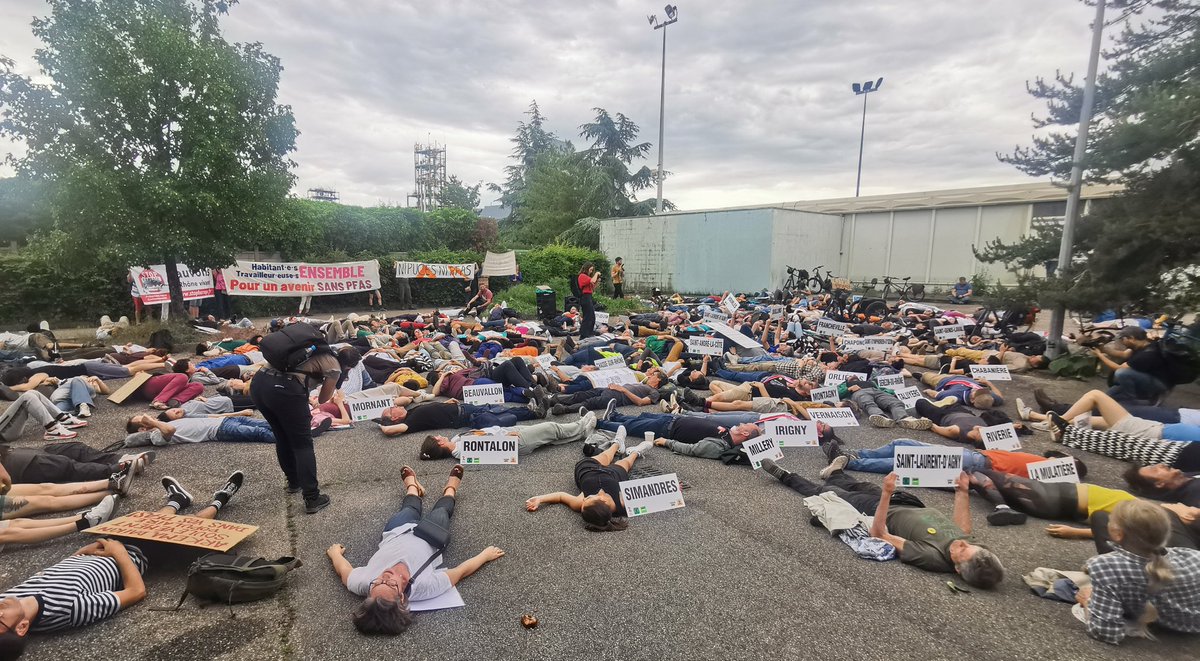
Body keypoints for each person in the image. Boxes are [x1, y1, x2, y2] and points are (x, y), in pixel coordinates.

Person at [0, 471, 243, 657]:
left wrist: (82, 551)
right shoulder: (67, 612)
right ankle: (220, 500)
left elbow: (53, 574)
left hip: (99, 551)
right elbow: (135, 592)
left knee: (148, 522)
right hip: (133, 557)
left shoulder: (10, 597)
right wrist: (118, 552)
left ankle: (177, 500)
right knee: (186, 527)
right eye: (1, 619)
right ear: (21, 627)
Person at [758, 461, 1005, 588]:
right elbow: (964, 532)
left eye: (961, 551)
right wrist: (962, 492)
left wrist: (886, 495)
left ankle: (785, 476)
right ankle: (835, 471)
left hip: (881, 511)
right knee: (857, 484)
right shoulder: (971, 549)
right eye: (968, 546)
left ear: (958, 571)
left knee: (827, 492)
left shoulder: (931, 557)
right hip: (908, 502)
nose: (961, 542)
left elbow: (880, 534)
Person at [326, 464, 506, 635]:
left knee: (409, 507)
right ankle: (450, 488)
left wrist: (334, 554)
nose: (385, 576)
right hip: (431, 536)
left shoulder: (363, 583)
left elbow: (344, 572)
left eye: (377, 582)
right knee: (442, 511)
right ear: (402, 598)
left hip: (396, 532)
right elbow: (460, 572)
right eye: (390, 584)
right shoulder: (425, 587)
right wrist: (485, 556)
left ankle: (412, 487)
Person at [1076, 499, 1200, 645]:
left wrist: (1088, 601)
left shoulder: (1104, 567)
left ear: (1117, 534)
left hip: (1161, 628)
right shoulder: (1193, 557)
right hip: (1193, 626)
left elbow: (1106, 632)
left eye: (1111, 520)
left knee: (1098, 517)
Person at [250, 325, 341, 514]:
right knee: (302, 444)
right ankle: (312, 498)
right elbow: (324, 399)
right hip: (285, 390)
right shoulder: (334, 365)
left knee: (281, 435)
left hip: (259, 384)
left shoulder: (299, 350)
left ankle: (293, 482)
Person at [525, 438, 654, 532]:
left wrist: (539, 499)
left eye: (584, 500)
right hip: (612, 476)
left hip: (588, 470)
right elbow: (654, 494)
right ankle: (635, 452)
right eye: (588, 499)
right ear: (603, 500)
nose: (584, 499)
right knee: (626, 464)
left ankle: (616, 444)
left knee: (605, 455)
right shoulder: (623, 503)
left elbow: (560, 496)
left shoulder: (581, 504)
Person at [1030, 389, 1200, 442]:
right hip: (1162, 426)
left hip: (1156, 430)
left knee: (1095, 396)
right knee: (1099, 420)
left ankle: (1059, 418)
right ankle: (1038, 417)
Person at [419, 412, 597, 460]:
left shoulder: (457, 441)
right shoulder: (461, 451)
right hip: (514, 442)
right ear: (439, 444)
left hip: (508, 433)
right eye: (437, 438)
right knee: (550, 428)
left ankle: (581, 433)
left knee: (548, 438)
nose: (440, 436)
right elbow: (490, 450)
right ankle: (580, 425)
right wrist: (508, 439)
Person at [378, 399, 545, 436]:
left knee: (494, 408)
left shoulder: (410, 411)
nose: (396, 406)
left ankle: (530, 410)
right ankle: (534, 413)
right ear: (394, 418)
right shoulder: (410, 422)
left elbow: (404, 399)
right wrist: (381, 425)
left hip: (461, 407)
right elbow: (390, 430)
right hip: (464, 416)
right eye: (393, 409)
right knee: (497, 415)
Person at [122, 413, 276, 446]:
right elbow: (170, 431)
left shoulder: (159, 425)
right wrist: (152, 421)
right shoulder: (156, 435)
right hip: (219, 430)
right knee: (260, 433)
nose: (146, 416)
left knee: (270, 423)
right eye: (142, 419)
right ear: (142, 429)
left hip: (224, 421)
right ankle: (296, 440)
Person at [0, 391, 87, 442]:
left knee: (32, 392)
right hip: (3, 434)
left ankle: (63, 418)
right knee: (27, 397)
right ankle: (52, 429)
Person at [577, 263, 602, 340]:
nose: (591, 272)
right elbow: (592, 280)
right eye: (590, 270)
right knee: (588, 316)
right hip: (585, 297)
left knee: (591, 316)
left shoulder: (587, 277)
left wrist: (597, 281)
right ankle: (584, 334)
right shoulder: (582, 276)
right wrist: (597, 273)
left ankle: (589, 332)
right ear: (586, 268)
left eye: (592, 270)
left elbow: (593, 287)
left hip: (589, 296)